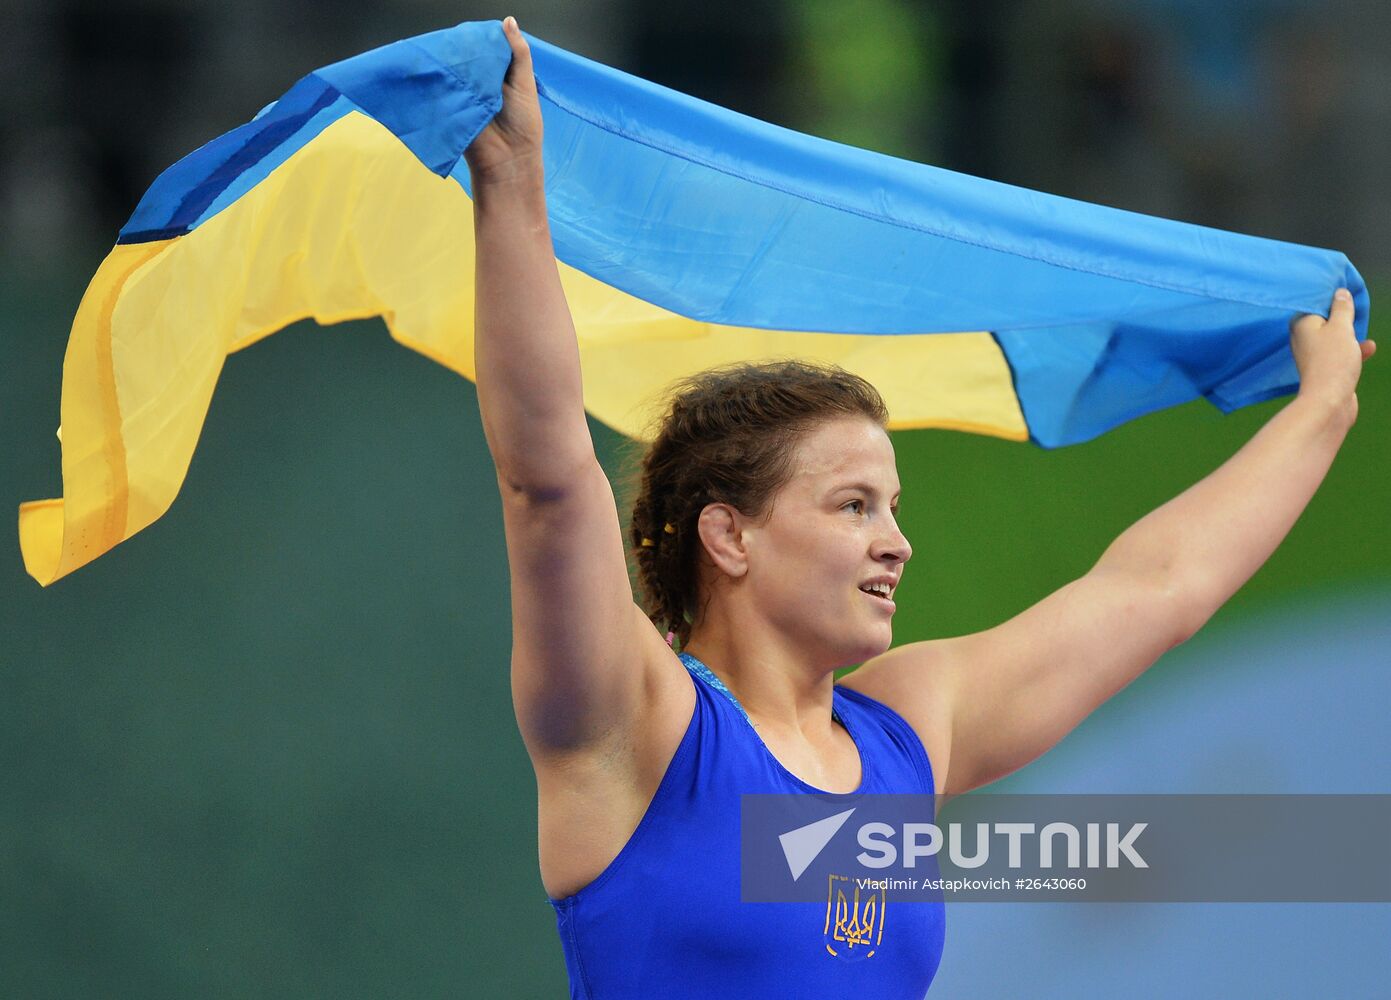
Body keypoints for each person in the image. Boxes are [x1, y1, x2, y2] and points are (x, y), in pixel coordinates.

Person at [464, 17, 1376, 999]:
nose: (894, 542)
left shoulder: (905, 728)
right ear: (728, 534)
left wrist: (1321, 410)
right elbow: (548, 476)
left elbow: (1157, 586)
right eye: (852, 505)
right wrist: (513, 186)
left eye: (890, 506)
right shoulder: (633, 724)